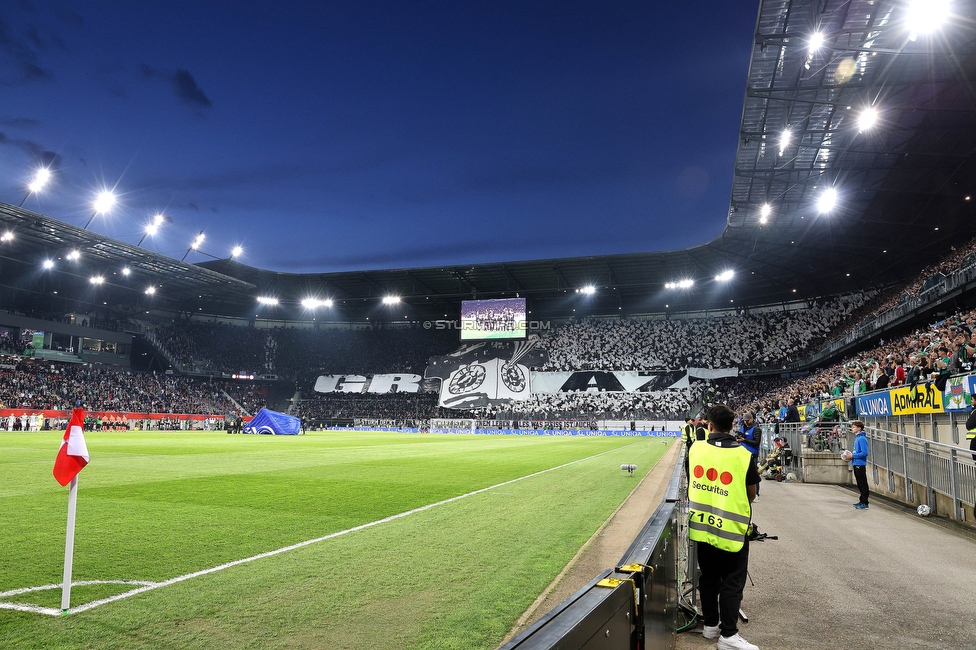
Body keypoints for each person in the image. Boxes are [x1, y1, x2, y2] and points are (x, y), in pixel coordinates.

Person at [689, 404, 761, 650]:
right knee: (732, 581)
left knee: (708, 577)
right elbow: (750, 494)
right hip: (732, 530)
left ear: (709, 425)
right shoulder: (743, 455)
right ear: (733, 426)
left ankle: (710, 626)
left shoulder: (695, 449)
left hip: (702, 527)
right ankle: (728, 636)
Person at [736, 411, 762, 500]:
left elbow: (756, 442)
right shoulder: (743, 427)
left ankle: (756, 494)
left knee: (753, 475)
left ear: (751, 419)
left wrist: (744, 440)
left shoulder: (756, 429)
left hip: (752, 454)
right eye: (744, 420)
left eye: (747, 420)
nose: (746, 422)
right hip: (742, 453)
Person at [849, 420, 870, 509]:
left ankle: (865, 502)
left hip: (860, 464)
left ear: (859, 428)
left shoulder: (861, 439)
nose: (852, 429)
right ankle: (862, 500)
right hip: (856, 462)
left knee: (862, 483)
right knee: (859, 483)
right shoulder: (857, 438)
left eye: (854, 427)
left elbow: (864, 452)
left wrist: (852, 455)